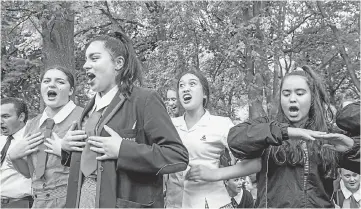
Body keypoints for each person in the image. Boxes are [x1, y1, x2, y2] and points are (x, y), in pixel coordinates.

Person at [60, 31, 189, 208]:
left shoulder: (144, 100)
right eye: (85, 59)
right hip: (83, 200)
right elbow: (92, 161)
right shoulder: (88, 109)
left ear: (118, 63)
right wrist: (67, 148)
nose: (85, 65)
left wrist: (123, 150)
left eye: (94, 58)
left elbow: (177, 156)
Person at [227, 65, 360, 208]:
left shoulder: (328, 135)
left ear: (312, 98)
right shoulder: (267, 127)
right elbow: (235, 139)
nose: (292, 99)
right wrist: (286, 132)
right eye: (286, 93)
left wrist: (351, 149)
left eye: (300, 93)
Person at [165, 70, 260, 208]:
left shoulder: (221, 124)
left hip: (211, 203)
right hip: (174, 204)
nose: (186, 88)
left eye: (192, 84)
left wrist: (216, 174)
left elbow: (255, 163)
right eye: (181, 85)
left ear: (204, 94)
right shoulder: (169, 125)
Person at [9, 66, 83, 208]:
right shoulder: (32, 125)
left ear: (71, 90)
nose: (52, 84)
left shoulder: (84, 118)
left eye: (60, 82)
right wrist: (14, 157)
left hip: (73, 201)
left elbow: (93, 168)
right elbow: (30, 173)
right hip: (38, 202)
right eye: (46, 81)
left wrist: (64, 151)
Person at [0, 98, 33, 208]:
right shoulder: (2, 141)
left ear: (21, 117)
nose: (0, 121)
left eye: (5, 116)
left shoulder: (31, 139)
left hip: (19, 203)